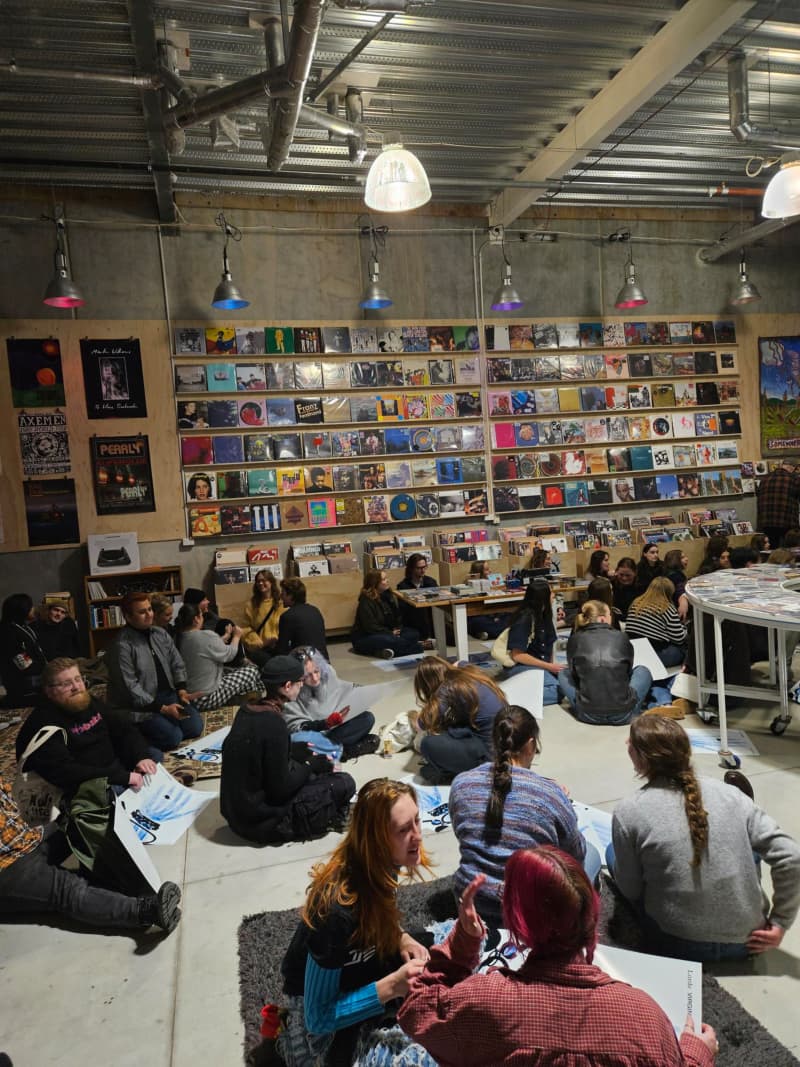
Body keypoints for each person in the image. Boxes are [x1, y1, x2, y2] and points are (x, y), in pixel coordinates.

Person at [398, 845, 719, 1067]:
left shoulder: (480, 1001)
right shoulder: (645, 1017)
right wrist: (696, 1054)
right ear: (593, 915)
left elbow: (417, 1009)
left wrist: (462, 945)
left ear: (518, 924)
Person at [612, 715, 800, 962]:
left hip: (675, 942)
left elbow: (631, 890)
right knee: (743, 842)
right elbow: (792, 856)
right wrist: (780, 923)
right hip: (746, 941)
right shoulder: (731, 796)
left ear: (638, 758)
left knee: (612, 853)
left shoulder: (629, 810)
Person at [279, 778, 431, 1066]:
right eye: (403, 830)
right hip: (313, 1004)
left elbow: (378, 915)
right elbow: (318, 1017)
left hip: (356, 964)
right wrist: (394, 986)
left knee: (433, 957)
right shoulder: (336, 912)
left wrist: (400, 937)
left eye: (417, 822)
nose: (418, 836)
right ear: (376, 842)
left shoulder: (381, 867)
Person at [449, 705, 598, 924]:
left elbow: (464, 833)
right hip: (531, 910)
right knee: (592, 854)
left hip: (473, 901)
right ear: (530, 745)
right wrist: (558, 801)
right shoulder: (549, 794)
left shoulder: (461, 784)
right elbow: (574, 856)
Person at [0, 776, 181, 935]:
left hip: (25, 838)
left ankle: (113, 881)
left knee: (78, 822)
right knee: (67, 889)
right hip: (7, 863)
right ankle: (146, 912)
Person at [220, 656, 355, 846]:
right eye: (300, 682)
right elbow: (281, 790)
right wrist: (310, 764)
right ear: (288, 686)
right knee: (344, 782)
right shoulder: (273, 723)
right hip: (263, 823)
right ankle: (328, 816)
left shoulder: (246, 710)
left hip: (237, 815)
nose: (302, 686)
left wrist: (299, 753)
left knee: (309, 758)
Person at [15, 658, 158, 792]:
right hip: (86, 785)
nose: (76, 687)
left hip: (112, 766)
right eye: (66, 684)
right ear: (49, 691)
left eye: (78, 679)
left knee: (151, 758)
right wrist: (121, 777)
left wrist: (140, 756)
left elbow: (124, 728)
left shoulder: (88, 701)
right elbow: (66, 772)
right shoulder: (42, 724)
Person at [105, 592, 203, 756]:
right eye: (142, 612)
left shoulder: (160, 633)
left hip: (167, 695)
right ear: (128, 617)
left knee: (194, 727)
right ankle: (132, 736)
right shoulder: (122, 645)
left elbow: (177, 663)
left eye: (150, 609)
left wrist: (181, 690)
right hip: (139, 706)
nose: (149, 614)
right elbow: (130, 688)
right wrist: (163, 709)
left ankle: (161, 724)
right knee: (173, 737)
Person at [413, 656, 507, 783]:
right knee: (451, 724)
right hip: (505, 743)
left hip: (489, 757)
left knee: (427, 744)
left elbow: (420, 725)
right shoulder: (468, 672)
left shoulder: (446, 689)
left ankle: (450, 775)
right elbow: (460, 662)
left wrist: (420, 711)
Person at [558, 600, 652, 725]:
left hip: (587, 714)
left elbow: (574, 673)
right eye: (610, 615)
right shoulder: (621, 636)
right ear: (602, 619)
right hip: (623, 714)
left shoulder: (575, 639)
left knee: (563, 672)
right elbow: (627, 671)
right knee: (642, 670)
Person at [282, 646, 377, 758]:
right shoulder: (293, 688)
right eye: (307, 676)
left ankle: (332, 750)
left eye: (317, 671)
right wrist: (325, 723)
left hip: (335, 728)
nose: (315, 678)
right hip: (315, 732)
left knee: (367, 718)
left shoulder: (327, 672)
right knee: (297, 739)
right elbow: (296, 726)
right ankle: (347, 751)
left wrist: (361, 692)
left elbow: (340, 688)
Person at [173, 604, 261, 711]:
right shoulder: (206, 635)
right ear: (196, 619)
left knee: (230, 671)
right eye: (201, 615)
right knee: (253, 670)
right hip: (206, 696)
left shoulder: (179, 637)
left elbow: (205, 647)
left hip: (188, 696)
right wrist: (237, 636)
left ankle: (240, 698)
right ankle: (245, 700)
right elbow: (229, 654)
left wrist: (225, 636)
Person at [505, 580, 563, 704]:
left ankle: (526, 690)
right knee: (557, 690)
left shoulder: (545, 615)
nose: (553, 595)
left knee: (569, 680)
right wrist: (549, 667)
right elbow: (518, 655)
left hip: (541, 666)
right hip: (522, 666)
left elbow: (549, 644)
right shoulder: (524, 619)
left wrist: (552, 668)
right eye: (551, 592)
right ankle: (510, 698)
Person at [351, 570, 430, 660]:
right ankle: (418, 647)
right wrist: (390, 633)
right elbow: (370, 627)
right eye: (384, 579)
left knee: (413, 634)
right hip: (367, 636)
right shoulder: (366, 601)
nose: (387, 581)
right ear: (375, 583)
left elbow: (396, 618)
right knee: (392, 640)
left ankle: (384, 651)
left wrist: (397, 629)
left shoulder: (387, 596)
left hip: (388, 632)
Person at [625, 577, 688, 667]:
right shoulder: (667, 608)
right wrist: (684, 627)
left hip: (633, 653)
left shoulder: (636, 603)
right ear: (669, 593)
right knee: (683, 648)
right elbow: (679, 638)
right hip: (656, 656)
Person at [0, 593, 47, 706]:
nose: (33, 609)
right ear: (22, 609)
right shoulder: (8, 632)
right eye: (31, 606)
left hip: (35, 678)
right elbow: (23, 663)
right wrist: (47, 670)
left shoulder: (22, 626)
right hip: (23, 686)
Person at [276, 578, 329, 660]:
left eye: (283, 593)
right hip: (324, 662)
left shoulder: (287, 616)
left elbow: (281, 649)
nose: (281, 596)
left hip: (306, 665)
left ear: (290, 596)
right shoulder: (315, 610)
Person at [241, 569, 285, 667]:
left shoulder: (281, 603)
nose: (260, 583)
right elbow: (246, 628)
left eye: (264, 580)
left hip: (279, 647)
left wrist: (277, 638)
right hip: (261, 650)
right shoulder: (251, 605)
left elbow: (287, 623)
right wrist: (260, 643)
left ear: (271, 582)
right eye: (258, 581)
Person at [756, 458, 800, 549]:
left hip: (765, 522)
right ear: (794, 468)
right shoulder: (795, 479)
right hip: (786, 522)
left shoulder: (764, 479)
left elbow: (758, 496)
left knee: (771, 548)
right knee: (789, 549)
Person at [396, 553, 438, 638]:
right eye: (419, 568)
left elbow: (438, 601)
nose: (423, 571)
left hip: (431, 619)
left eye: (424, 567)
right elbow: (403, 610)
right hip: (412, 622)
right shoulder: (403, 586)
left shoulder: (431, 582)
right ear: (411, 569)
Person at [465, 560, 507, 640]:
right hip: (481, 615)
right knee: (476, 622)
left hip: (496, 615)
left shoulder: (494, 582)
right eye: (487, 569)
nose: (490, 571)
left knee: (513, 617)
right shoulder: (471, 585)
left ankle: (487, 634)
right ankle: (496, 632)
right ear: (479, 572)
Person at [663, 548, 690, 619]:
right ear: (675, 560)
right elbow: (679, 591)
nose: (687, 559)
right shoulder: (674, 575)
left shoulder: (671, 572)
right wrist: (683, 601)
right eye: (682, 557)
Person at [611, 556, 638, 620]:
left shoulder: (641, 588)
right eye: (621, 575)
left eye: (628, 575)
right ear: (616, 572)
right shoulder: (611, 586)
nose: (624, 578)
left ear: (635, 573)